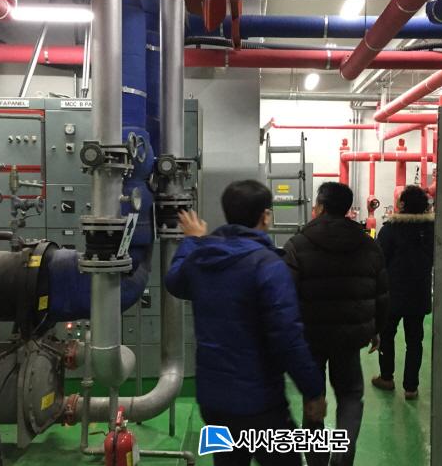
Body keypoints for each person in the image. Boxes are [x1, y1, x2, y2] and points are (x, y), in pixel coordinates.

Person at [165, 180, 326, 466]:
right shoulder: (267, 265)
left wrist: (193, 240)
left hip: (213, 401)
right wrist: (312, 391)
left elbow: (175, 281)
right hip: (260, 403)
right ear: (265, 216)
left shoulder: (203, 258)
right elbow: (288, 337)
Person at [283, 182, 387, 466]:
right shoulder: (368, 244)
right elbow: (381, 293)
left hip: (310, 337)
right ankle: (343, 459)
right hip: (349, 338)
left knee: (313, 397)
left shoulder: (298, 244)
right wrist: (376, 330)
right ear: (347, 209)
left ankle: (316, 461)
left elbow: (286, 295)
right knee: (351, 396)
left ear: (320, 207)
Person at [372, 185, 434, 400]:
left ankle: (386, 378)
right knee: (415, 341)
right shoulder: (432, 231)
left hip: (393, 294)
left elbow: (378, 260)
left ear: (402, 204)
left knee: (387, 336)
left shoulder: (390, 229)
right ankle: (411, 387)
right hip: (419, 293)